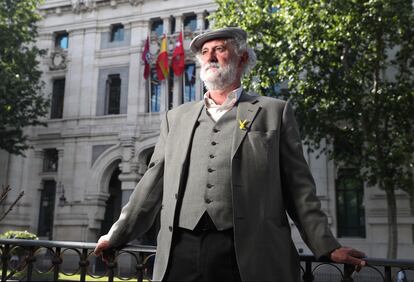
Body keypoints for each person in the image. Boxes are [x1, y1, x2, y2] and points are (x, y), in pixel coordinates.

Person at [94, 27, 366, 282]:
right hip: (180, 253)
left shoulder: (274, 112)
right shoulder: (175, 118)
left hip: (247, 254)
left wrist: (327, 246)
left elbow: (299, 188)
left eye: (220, 49)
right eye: (204, 52)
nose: (210, 56)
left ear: (242, 57)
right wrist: (116, 236)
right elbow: (150, 187)